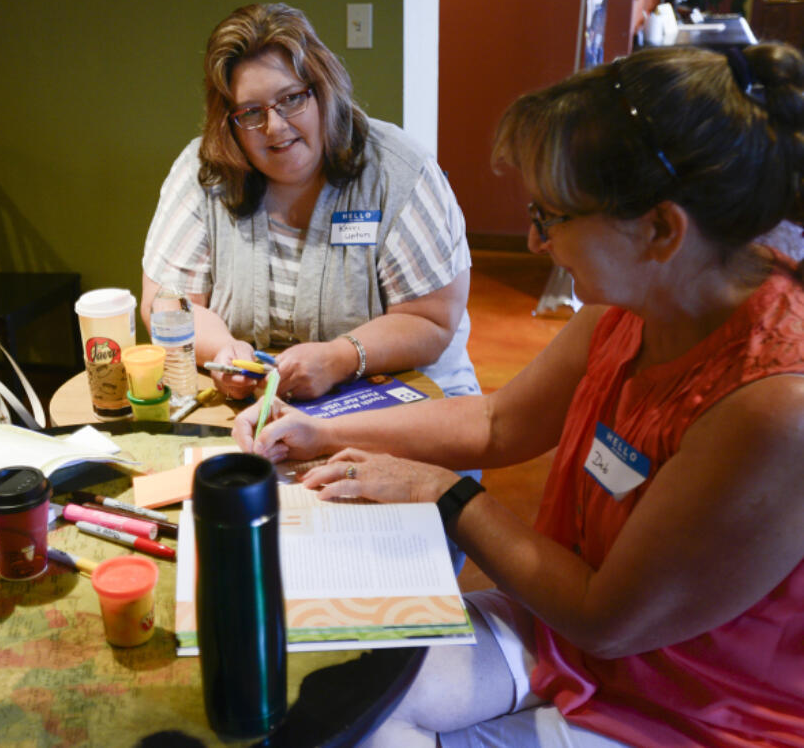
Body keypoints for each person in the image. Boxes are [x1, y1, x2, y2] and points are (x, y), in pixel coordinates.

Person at [233, 42, 804, 746]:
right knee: (334, 698)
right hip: (568, 633)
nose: (535, 241)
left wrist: (444, 493)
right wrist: (319, 431)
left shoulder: (773, 405)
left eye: (553, 214)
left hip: (691, 709)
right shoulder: (644, 294)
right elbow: (502, 421)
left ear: (660, 228)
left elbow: (609, 617)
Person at [141, 3, 479, 403]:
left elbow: (432, 320)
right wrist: (224, 354)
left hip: (401, 400)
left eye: (291, 99)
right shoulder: (203, 173)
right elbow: (166, 308)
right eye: (251, 113)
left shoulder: (400, 172)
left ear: (323, 91)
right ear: (227, 121)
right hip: (259, 408)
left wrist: (340, 358)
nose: (276, 126)